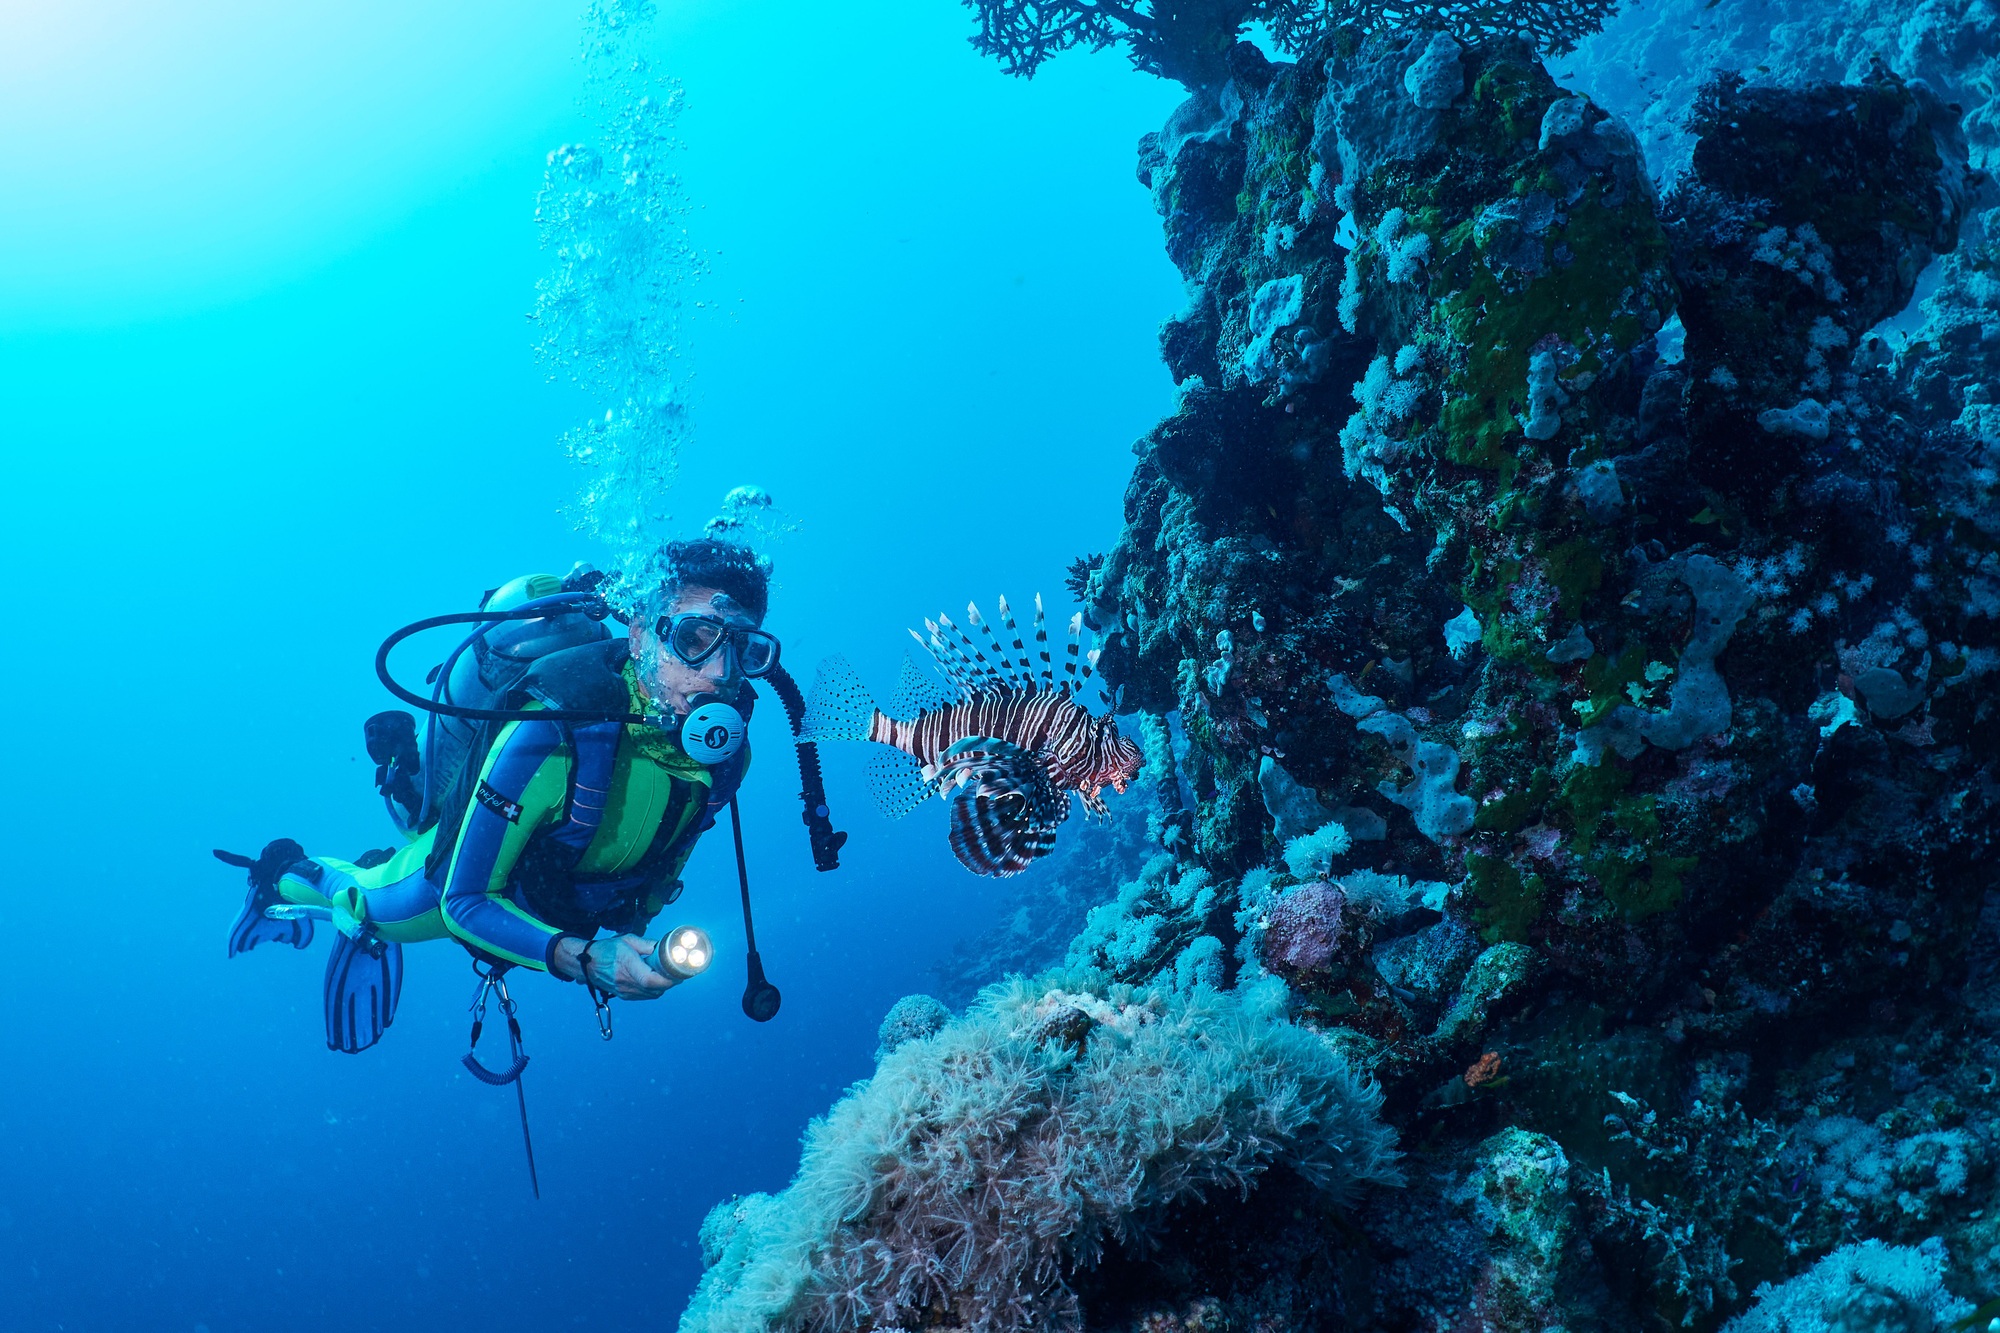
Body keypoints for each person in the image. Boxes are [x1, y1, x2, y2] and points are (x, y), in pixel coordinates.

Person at [220, 538, 783, 1050]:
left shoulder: (726, 752)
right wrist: (585, 959)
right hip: (461, 881)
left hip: (556, 896)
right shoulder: (552, 730)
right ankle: (282, 872)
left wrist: (632, 932)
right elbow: (462, 902)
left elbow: (669, 848)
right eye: (695, 639)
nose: (719, 675)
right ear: (640, 632)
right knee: (368, 902)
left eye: (746, 650)